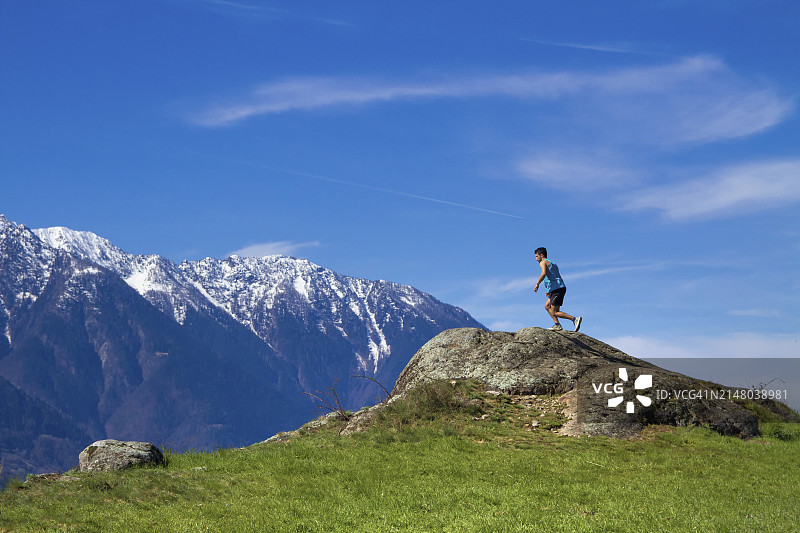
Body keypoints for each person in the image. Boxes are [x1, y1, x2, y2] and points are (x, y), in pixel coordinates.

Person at [533, 247, 582, 332]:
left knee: (555, 312)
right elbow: (557, 276)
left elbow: (544, 273)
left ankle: (574, 319)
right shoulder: (552, 263)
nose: (536, 259)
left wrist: (537, 284)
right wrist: (550, 290)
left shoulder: (543, 262)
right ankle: (557, 324)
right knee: (547, 306)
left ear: (541, 255)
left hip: (557, 289)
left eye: (537, 256)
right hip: (557, 288)